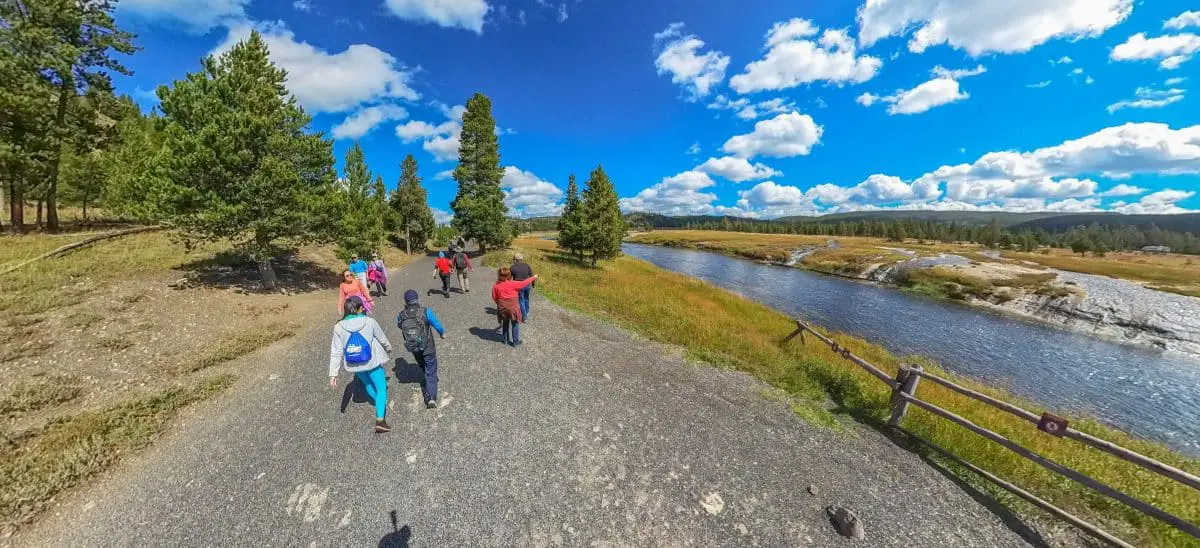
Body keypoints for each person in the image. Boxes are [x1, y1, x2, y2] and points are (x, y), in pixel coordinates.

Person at [329, 296, 393, 433]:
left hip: (354, 364)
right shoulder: (369, 322)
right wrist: (388, 348)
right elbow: (382, 338)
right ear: (360, 308)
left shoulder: (338, 327)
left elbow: (336, 351)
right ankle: (380, 419)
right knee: (381, 387)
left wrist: (333, 374)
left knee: (368, 384)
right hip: (372, 361)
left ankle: (379, 404)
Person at [397, 290, 446, 409]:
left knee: (422, 363)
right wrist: (442, 332)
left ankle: (427, 378)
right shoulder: (425, 311)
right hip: (428, 345)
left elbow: (400, 326)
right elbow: (436, 324)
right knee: (431, 368)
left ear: (406, 301)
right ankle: (431, 398)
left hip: (413, 345)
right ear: (417, 299)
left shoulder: (401, 314)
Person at [492, 266, 538, 346]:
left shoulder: (496, 286)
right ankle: (515, 342)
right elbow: (524, 283)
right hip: (513, 308)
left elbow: (494, 297)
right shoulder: (513, 284)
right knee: (515, 323)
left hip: (503, 308)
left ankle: (505, 340)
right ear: (509, 275)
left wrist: (500, 305)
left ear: (499, 275)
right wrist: (533, 277)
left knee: (505, 322)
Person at [510, 253, 534, 321]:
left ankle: (524, 317)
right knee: (526, 298)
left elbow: (509, 278)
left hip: (518, 286)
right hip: (527, 285)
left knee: (521, 300)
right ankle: (526, 312)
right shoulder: (527, 266)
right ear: (521, 259)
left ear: (515, 260)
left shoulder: (512, 267)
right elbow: (532, 276)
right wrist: (533, 284)